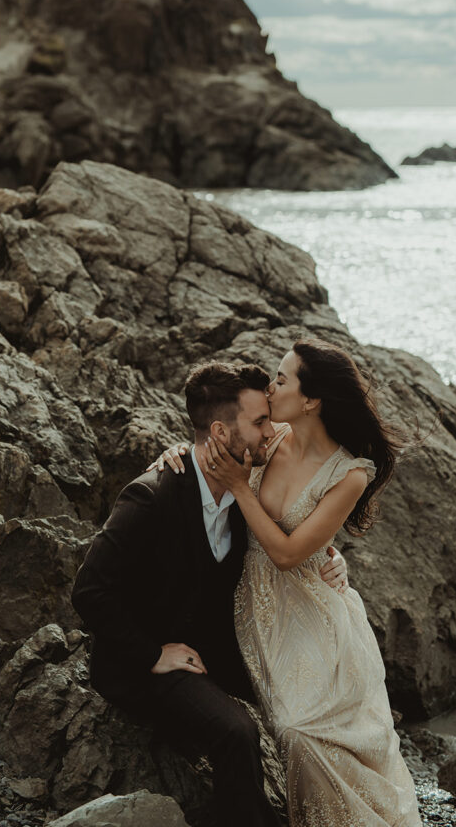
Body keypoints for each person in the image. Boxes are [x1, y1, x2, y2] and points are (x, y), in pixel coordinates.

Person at [71, 360, 348, 827]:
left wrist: (332, 558)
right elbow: (89, 590)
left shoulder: (246, 494)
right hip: (146, 665)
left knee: (307, 702)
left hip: (215, 650)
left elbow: (293, 530)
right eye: (260, 422)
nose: (270, 431)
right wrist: (152, 653)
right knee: (236, 731)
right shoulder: (151, 497)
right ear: (221, 431)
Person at [157, 339, 422, 827]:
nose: (270, 386)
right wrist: (176, 453)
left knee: (306, 730)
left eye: (282, 379)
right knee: (293, 728)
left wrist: (240, 486)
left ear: (311, 399)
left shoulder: (350, 475)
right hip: (247, 599)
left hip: (306, 605)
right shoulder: (272, 435)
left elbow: (286, 553)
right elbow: (215, 440)